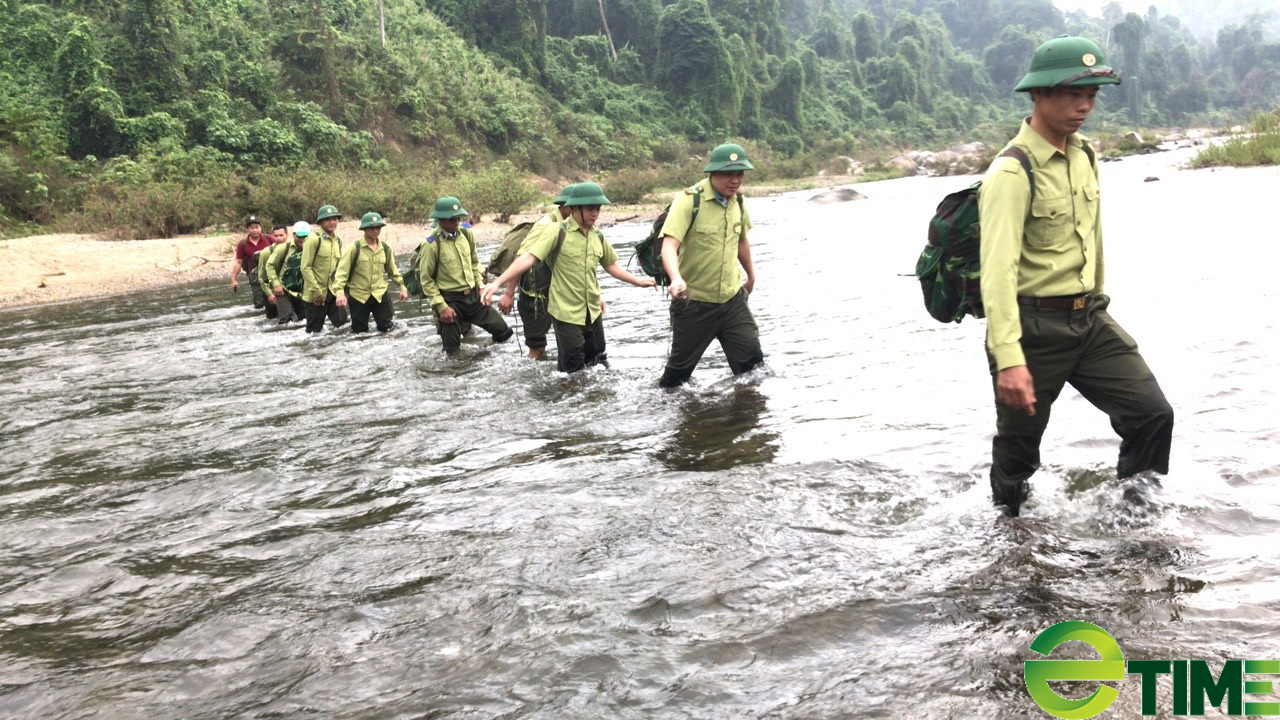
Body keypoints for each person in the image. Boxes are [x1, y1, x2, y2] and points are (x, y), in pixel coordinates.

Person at [978, 35, 1174, 517]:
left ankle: (1134, 516)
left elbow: (1093, 239)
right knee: (1020, 453)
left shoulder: (1085, 155)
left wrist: (1098, 302)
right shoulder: (1010, 172)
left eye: (1091, 95)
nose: (1084, 105)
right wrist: (1009, 359)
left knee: (1152, 413)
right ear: (1038, 95)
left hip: (1089, 320)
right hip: (1034, 329)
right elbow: (997, 272)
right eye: (1072, 94)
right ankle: (1008, 534)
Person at [481, 182, 655, 373]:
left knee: (597, 356)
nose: (595, 213)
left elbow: (611, 265)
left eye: (597, 208)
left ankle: (589, 399)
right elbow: (528, 257)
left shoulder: (598, 236)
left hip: (592, 310)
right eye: (590, 209)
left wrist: (639, 282)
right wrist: (499, 284)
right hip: (566, 311)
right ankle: (567, 398)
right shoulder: (557, 231)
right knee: (572, 364)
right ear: (574, 208)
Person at [657, 143, 764, 388]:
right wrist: (676, 278)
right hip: (694, 302)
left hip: (732, 300)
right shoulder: (689, 201)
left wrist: (751, 276)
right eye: (728, 174)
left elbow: (741, 241)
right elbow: (669, 245)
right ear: (712, 173)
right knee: (677, 378)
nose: (735, 180)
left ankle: (746, 418)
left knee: (753, 366)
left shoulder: (738, 202)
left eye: (739, 174)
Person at [417, 196, 513, 353]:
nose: (456, 222)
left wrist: (481, 288)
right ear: (440, 219)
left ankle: (484, 355)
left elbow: (475, 264)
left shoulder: (467, 236)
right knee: (452, 352)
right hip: (449, 301)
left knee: (503, 332)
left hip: (473, 297)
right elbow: (426, 281)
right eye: (451, 219)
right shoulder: (431, 244)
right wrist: (442, 308)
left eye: (458, 218)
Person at [500, 183, 576, 360]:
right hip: (535, 299)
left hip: (557, 295)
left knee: (570, 344)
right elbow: (520, 257)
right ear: (564, 206)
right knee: (537, 349)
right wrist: (509, 293)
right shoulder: (546, 225)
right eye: (576, 207)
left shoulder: (571, 226)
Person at [331, 212, 408, 334]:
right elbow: (341, 273)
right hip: (358, 297)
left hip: (380, 294)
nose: (375, 230)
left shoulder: (385, 248)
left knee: (388, 330)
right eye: (371, 227)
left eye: (378, 227)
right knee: (359, 333)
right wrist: (339, 293)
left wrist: (402, 287)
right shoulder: (354, 249)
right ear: (364, 229)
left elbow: (393, 271)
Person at [300, 204, 350, 333]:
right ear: (321, 222)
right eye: (328, 219)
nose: (332, 222)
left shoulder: (338, 240)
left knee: (344, 327)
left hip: (332, 293)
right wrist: (317, 292)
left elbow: (339, 268)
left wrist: (342, 290)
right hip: (315, 296)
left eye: (335, 219)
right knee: (313, 333)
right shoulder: (313, 240)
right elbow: (305, 268)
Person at [265, 221, 312, 325]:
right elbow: (269, 265)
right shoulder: (283, 248)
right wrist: (276, 284)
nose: (302, 240)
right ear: (293, 235)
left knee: (305, 321)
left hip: (303, 291)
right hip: (283, 290)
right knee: (285, 320)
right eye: (299, 236)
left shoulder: (312, 248)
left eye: (305, 237)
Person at [230, 215, 274, 308]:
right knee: (259, 304)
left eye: (257, 227)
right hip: (254, 277)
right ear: (248, 229)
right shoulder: (242, 244)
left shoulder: (269, 239)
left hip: (270, 274)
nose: (255, 230)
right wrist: (234, 280)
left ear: (261, 228)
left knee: (274, 299)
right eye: (252, 228)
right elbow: (238, 262)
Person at [255, 224, 290, 320]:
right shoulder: (266, 252)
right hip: (270, 290)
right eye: (276, 236)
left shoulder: (291, 249)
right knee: (272, 319)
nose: (278, 238)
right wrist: (269, 294)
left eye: (281, 235)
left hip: (287, 291)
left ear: (287, 235)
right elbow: (261, 276)